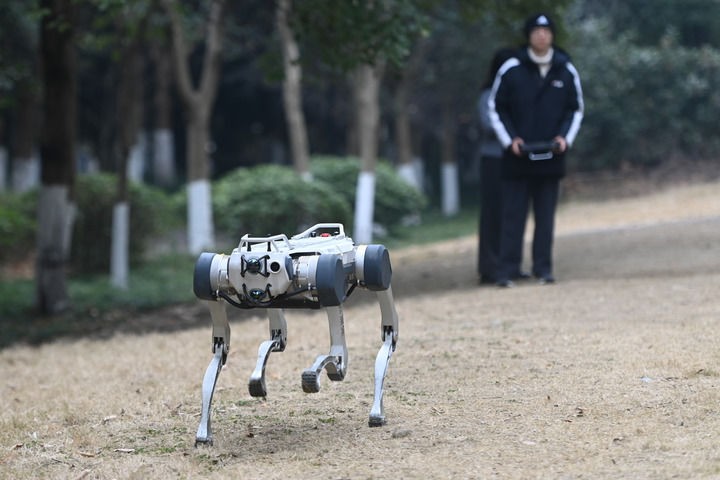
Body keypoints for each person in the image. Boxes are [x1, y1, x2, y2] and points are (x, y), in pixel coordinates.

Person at [488, 13, 584, 287]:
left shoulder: (566, 69)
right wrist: (510, 140)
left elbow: (575, 109)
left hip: (551, 157)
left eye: (546, 30)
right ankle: (507, 270)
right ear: (529, 35)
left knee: (545, 217)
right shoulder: (511, 68)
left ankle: (543, 268)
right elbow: (496, 107)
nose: (541, 35)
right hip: (518, 157)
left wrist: (565, 138)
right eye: (536, 31)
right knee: (513, 216)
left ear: (552, 35)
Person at [477, 48, 515, 284]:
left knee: (511, 213)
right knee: (493, 213)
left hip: (514, 160)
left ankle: (509, 265)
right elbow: (488, 125)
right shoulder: (488, 95)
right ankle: (489, 267)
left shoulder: (515, 93)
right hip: (493, 159)